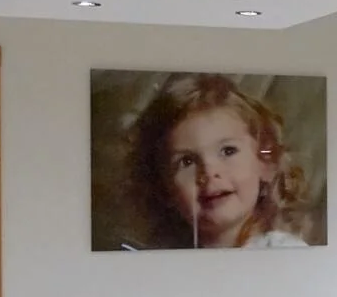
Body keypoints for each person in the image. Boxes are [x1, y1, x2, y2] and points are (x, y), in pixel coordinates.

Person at [129, 74, 314, 249]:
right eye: (187, 161)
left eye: (228, 151)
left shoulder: (283, 251)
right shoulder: (166, 259)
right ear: (164, 189)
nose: (209, 172)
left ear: (266, 162)